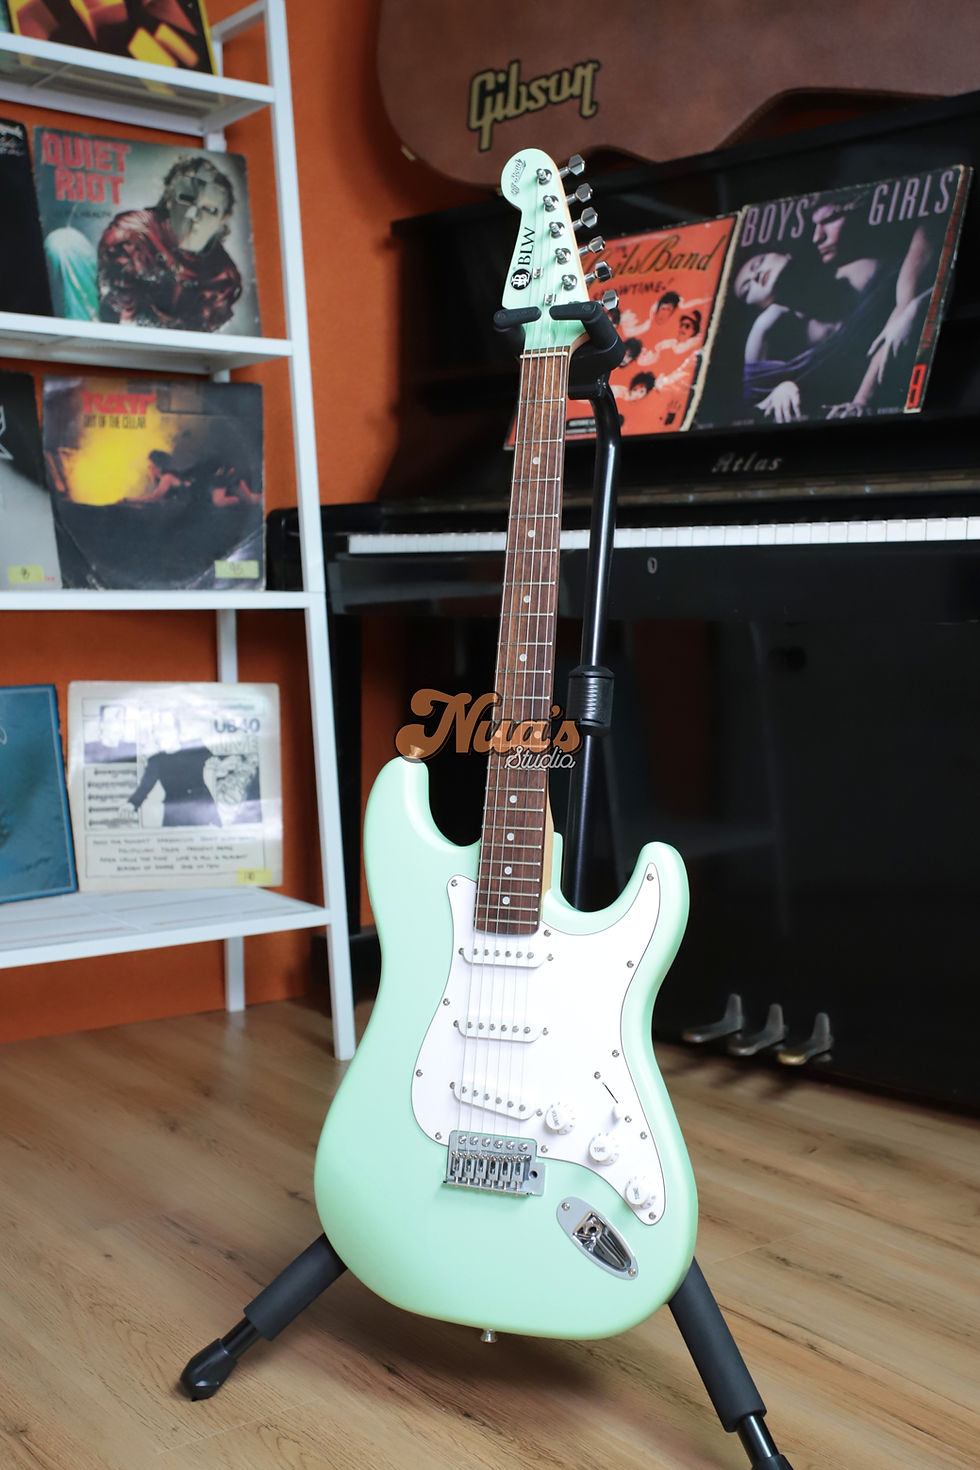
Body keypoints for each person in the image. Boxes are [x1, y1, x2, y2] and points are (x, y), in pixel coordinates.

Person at [96, 157, 243, 332]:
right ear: (169, 199)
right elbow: (119, 311)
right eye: (186, 199)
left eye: (209, 209)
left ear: (223, 218)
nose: (193, 215)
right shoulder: (132, 234)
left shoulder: (223, 276)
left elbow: (201, 333)